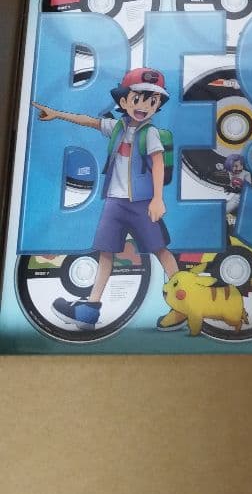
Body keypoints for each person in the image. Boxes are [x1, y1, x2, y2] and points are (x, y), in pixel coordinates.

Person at [32, 67, 178, 330]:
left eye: (153, 101)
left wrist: (158, 199)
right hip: (114, 202)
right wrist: (56, 114)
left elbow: (158, 164)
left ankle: (182, 303)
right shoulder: (117, 127)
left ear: (158, 105)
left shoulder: (150, 133)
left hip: (142, 203)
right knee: (106, 252)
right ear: (123, 100)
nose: (144, 106)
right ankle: (90, 310)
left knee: (161, 250)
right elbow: (88, 121)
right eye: (138, 99)